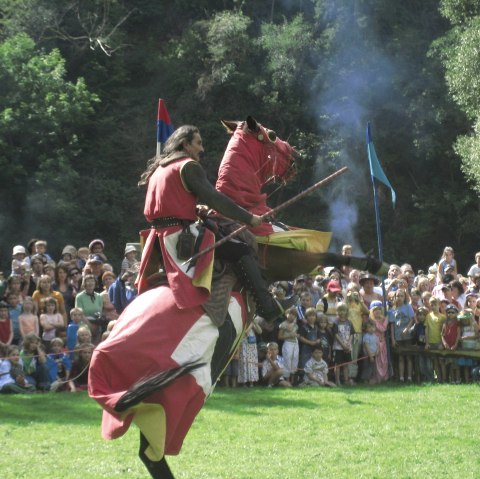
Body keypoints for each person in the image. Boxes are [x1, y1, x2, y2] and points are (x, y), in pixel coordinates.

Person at [137, 124, 294, 323]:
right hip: (180, 237)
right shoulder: (187, 166)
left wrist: (194, 209)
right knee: (241, 250)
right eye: (198, 143)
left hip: (157, 240)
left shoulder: (159, 169)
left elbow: (166, 205)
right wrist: (249, 218)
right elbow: (217, 200)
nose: (202, 149)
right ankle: (267, 306)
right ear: (185, 144)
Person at [388, 289, 415, 382]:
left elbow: (412, 319)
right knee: (400, 357)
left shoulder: (408, 307)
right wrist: (393, 339)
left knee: (408, 357)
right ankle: (401, 377)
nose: (399, 298)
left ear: (404, 297)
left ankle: (410, 377)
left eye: (401, 296)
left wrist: (407, 329)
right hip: (397, 336)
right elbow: (391, 325)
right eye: (397, 296)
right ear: (394, 297)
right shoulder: (392, 310)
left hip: (407, 336)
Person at [75, 274, 103, 343]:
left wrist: (97, 324)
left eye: (92, 281)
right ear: (84, 283)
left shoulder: (99, 296)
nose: (90, 283)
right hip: (84, 323)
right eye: (88, 281)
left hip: (96, 323)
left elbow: (100, 311)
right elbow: (79, 313)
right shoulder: (79, 297)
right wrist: (90, 326)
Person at [332, 302, 354, 386]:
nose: (341, 312)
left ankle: (346, 380)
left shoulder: (349, 322)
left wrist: (348, 344)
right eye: (339, 310)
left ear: (346, 311)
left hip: (347, 347)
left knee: (346, 364)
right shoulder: (336, 322)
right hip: (338, 347)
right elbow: (336, 335)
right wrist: (343, 345)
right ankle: (337, 381)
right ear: (337, 311)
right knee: (337, 365)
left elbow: (351, 334)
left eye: (343, 310)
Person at [426, 296, 446, 382]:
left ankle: (444, 379)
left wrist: (442, 343)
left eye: (435, 304)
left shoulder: (443, 317)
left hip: (439, 342)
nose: (433, 306)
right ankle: (439, 379)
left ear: (439, 305)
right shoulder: (428, 316)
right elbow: (426, 329)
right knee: (435, 362)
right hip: (431, 342)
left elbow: (444, 332)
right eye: (431, 305)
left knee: (441, 361)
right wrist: (427, 343)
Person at [369, 301, 389, 383]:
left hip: (382, 341)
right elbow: (382, 329)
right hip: (375, 342)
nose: (377, 311)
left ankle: (385, 377)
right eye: (375, 310)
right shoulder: (372, 321)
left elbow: (384, 329)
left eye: (379, 309)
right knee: (377, 360)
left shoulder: (383, 319)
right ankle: (378, 378)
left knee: (384, 359)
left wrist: (386, 319)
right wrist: (387, 319)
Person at [278, 307, 299, 384]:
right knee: (287, 360)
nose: (291, 316)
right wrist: (290, 335)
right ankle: (287, 381)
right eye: (289, 314)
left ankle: (292, 381)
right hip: (287, 343)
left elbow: (294, 332)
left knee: (294, 360)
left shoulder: (295, 325)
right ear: (286, 314)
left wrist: (296, 335)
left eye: (293, 315)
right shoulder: (283, 324)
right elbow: (279, 337)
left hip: (295, 343)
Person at [238, 320, 262, 387]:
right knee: (244, 363)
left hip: (252, 346)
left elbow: (260, 331)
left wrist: (255, 323)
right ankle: (244, 383)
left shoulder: (252, 322)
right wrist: (251, 324)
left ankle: (252, 382)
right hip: (244, 345)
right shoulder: (243, 322)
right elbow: (245, 333)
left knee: (252, 363)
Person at [412, 307, 433, 382]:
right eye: (419, 315)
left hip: (427, 346)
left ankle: (431, 379)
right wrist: (416, 344)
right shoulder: (417, 325)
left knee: (429, 364)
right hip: (420, 346)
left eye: (423, 315)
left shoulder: (428, 325)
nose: (421, 317)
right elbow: (415, 336)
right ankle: (425, 379)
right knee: (421, 365)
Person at [441, 304, 461, 384]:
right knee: (449, 363)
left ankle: (458, 379)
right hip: (448, 345)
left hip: (455, 345)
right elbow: (442, 334)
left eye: (453, 312)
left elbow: (458, 334)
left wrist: (456, 344)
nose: (450, 314)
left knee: (456, 364)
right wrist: (444, 343)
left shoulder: (458, 323)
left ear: (456, 313)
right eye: (449, 312)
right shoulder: (445, 323)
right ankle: (452, 379)